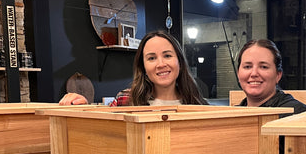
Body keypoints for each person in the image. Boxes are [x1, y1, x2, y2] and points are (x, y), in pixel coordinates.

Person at [59, 30, 207, 106]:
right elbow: (100, 131)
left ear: (179, 62)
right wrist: (83, 107)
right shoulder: (125, 99)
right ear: (143, 67)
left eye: (167, 55)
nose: (161, 64)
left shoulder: (199, 104)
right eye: (151, 58)